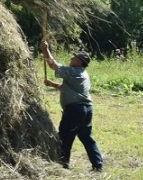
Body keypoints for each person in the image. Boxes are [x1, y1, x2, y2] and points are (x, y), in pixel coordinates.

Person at [40, 41, 104, 171]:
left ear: (80, 62)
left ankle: (64, 164)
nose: (71, 58)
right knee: (86, 137)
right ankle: (98, 164)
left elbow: (53, 65)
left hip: (75, 110)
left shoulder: (74, 72)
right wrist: (52, 84)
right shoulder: (83, 74)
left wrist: (45, 50)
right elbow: (67, 88)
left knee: (65, 136)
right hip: (87, 110)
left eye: (74, 57)